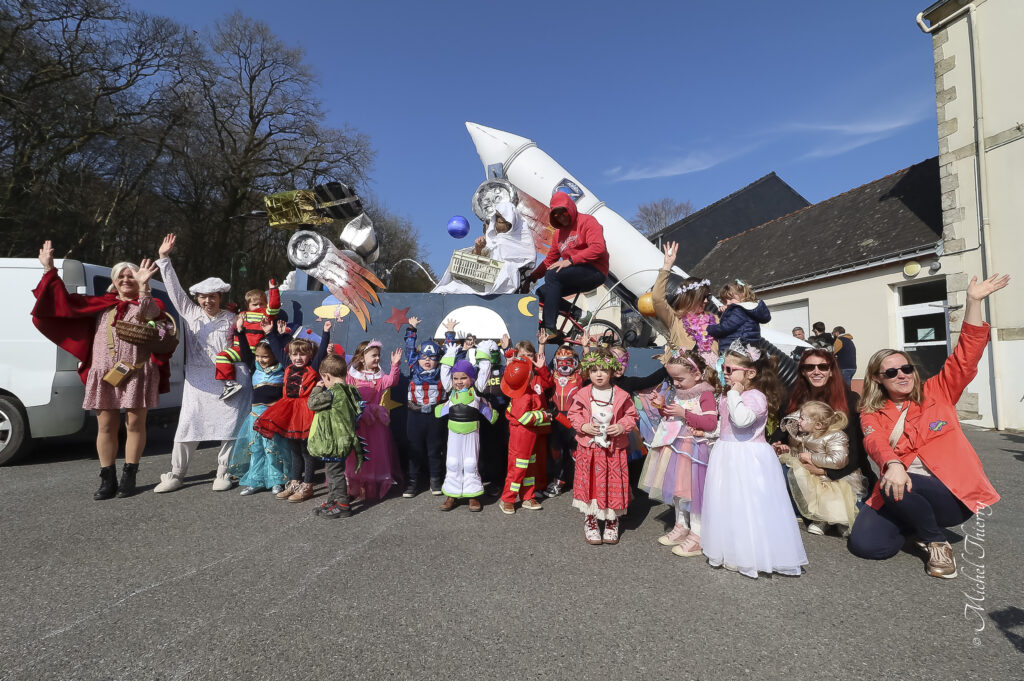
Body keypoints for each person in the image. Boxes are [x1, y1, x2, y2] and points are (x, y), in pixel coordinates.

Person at [847, 274, 1008, 579]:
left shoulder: (938, 391)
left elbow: (966, 357)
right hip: (898, 484)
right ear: (878, 379)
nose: (901, 375)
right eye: (891, 372)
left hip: (949, 494)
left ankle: (936, 541)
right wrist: (893, 463)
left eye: (906, 368)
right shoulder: (871, 410)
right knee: (868, 546)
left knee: (898, 482)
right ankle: (916, 521)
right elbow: (873, 440)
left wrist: (974, 302)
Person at [31, 240, 172, 499]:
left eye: (131, 276)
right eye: (121, 276)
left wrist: (144, 287)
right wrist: (49, 270)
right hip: (104, 373)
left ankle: (129, 475)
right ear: (114, 281)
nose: (126, 279)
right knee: (105, 426)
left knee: (134, 424)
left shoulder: (148, 303)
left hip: (137, 370)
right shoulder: (101, 304)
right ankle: (107, 478)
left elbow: (152, 314)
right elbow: (61, 304)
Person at [153, 234, 251, 494]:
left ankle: (224, 471)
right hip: (197, 379)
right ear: (197, 298)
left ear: (220, 296)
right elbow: (174, 291)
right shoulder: (191, 313)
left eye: (213, 296)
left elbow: (250, 338)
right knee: (188, 424)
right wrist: (164, 259)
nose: (208, 301)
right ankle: (176, 473)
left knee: (230, 426)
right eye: (203, 297)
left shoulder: (232, 318)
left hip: (229, 380)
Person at [701, 344, 807, 578]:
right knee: (728, 502)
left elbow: (742, 420)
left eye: (730, 369)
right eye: (723, 368)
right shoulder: (729, 394)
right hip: (726, 453)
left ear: (750, 373)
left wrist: (734, 394)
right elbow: (725, 424)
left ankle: (752, 553)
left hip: (747, 456)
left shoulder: (755, 397)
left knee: (748, 504)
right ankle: (732, 550)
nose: (725, 374)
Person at [639, 348, 720, 558]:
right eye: (673, 379)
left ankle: (698, 534)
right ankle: (681, 525)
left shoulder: (705, 394)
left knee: (693, 492)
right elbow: (671, 417)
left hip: (693, 449)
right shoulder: (680, 392)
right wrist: (661, 406)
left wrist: (684, 412)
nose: (675, 383)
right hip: (675, 447)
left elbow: (710, 423)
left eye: (680, 379)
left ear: (696, 374)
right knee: (678, 490)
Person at [774, 348, 874, 511]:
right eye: (810, 367)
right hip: (804, 470)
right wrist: (777, 445)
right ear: (803, 372)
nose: (816, 371)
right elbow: (781, 433)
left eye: (823, 367)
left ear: (831, 371)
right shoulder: (792, 399)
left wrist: (824, 471)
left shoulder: (850, 400)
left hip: (843, 472)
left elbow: (857, 451)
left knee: (851, 516)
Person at [253, 321, 332, 503]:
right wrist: (270, 333)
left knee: (307, 451)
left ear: (309, 355)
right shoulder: (288, 366)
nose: (298, 358)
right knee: (294, 450)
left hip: (305, 412)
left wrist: (325, 332)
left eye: (302, 354)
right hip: (288, 410)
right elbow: (277, 349)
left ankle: (308, 484)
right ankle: (295, 481)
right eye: (294, 354)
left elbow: (321, 352)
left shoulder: (312, 368)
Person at [567, 347, 638, 545]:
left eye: (604, 370)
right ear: (588, 372)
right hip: (589, 449)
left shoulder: (621, 395)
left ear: (612, 371)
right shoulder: (583, 393)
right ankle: (590, 520)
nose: (599, 374)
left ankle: (612, 521)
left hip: (613, 450)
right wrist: (583, 426)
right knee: (590, 484)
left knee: (612, 484)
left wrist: (621, 426)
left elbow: (631, 416)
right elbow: (573, 414)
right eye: (594, 370)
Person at [529, 192, 609, 343]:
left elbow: (598, 248)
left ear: (570, 209)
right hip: (575, 273)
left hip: (594, 270)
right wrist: (532, 277)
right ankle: (577, 315)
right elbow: (549, 260)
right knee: (541, 293)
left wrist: (570, 261)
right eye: (556, 215)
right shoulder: (558, 234)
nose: (561, 217)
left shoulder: (587, 221)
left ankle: (549, 328)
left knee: (553, 274)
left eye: (563, 212)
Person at [777, 401, 865, 536]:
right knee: (815, 496)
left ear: (818, 425)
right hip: (815, 475)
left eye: (802, 419)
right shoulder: (805, 435)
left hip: (833, 478)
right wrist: (788, 450)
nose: (798, 421)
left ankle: (842, 522)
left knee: (832, 498)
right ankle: (821, 520)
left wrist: (812, 458)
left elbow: (838, 460)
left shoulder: (835, 436)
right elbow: (800, 455)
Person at [228, 318, 291, 496]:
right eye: (258, 356)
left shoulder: (282, 368)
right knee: (256, 449)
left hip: (273, 417)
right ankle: (255, 481)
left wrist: (281, 336)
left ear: (274, 356)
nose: (260, 359)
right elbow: (245, 352)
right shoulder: (254, 367)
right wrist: (240, 332)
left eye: (265, 356)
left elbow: (283, 351)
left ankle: (276, 481)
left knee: (272, 448)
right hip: (256, 416)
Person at [432, 202, 537, 294]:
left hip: (507, 289)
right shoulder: (492, 241)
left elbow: (528, 264)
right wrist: (478, 249)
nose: (498, 223)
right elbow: (477, 266)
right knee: (447, 289)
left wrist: (509, 268)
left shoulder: (522, 239)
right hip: (484, 285)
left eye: (501, 219)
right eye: (497, 219)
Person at [345, 341, 405, 503]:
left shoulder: (379, 377)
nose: (377, 358)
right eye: (373, 355)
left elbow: (392, 381)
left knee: (373, 454)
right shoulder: (352, 376)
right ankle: (354, 488)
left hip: (374, 422)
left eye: (378, 355)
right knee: (355, 454)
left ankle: (370, 485)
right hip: (358, 420)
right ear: (362, 358)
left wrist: (395, 365)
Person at [307, 354, 365, 519]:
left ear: (327, 376)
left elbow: (312, 403)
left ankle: (342, 505)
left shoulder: (332, 393)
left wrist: (317, 388)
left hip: (334, 442)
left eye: (323, 379)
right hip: (343, 440)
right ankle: (333, 500)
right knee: (332, 472)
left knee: (335, 474)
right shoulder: (349, 390)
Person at [498, 340, 553, 514]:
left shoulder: (527, 390)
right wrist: (544, 416)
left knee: (530, 467)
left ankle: (528, 496)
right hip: (521, 436)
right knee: (517, 468)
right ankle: (507, 499)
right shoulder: (522, 395)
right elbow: (523, 417)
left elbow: (547, 384)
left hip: (531, 435)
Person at [436, 357, 497, 511]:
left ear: (472, 378)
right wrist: (448, 358)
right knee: (452, 462)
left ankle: (473, 495)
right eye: (455, 378)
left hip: (471, 433)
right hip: (453, 433)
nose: (459, 382)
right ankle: (451, 495)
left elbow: (484, 373)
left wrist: (484, 358)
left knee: (470, 463)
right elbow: (445, 376)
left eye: (463, 378)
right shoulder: (451, 392)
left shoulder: (476, 392)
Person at [402, 316, 450, 497]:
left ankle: (435, 479)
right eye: (423, 357)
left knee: (434, 449)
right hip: (415, 415)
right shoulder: (414, 367)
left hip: (435, 415)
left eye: (432, 357)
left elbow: (450, 354)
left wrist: (449, 334)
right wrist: (412, 329)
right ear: (418, 358)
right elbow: (409, 349)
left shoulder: (441, 370)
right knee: (413, 448)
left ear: (438, 359)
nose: (427, 360)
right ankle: (412, 482)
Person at [652, 241, 718, 366]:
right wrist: (667, 266)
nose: (706, 301)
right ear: (690, 298)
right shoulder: (675, 319)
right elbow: (657, 299)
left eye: (708, 297)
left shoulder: (714, 319)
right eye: (703, 297)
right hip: (685, 373)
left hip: (713, 373)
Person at [214, 281, 280, 400]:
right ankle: (230, 383)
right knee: (221, 357)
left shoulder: (267, 314)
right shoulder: (242, 314)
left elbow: (274, 305)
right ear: (248, 305)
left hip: (258, 354)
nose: (259, 307)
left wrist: (273, 289)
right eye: (255, 304)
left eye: (262, 304)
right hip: (240, 349)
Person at [546, 344, 582, 498]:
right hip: (556, 418)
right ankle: (558, 480)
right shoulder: (551, 375)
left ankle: (580, 481)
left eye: (568, 361)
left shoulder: (579, 375)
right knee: (556, 450)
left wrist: (586, 347)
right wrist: (542, 345)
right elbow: (541, 367)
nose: (564, 365)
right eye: (561, 362)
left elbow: (589, 365)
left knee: (576, 451)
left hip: (574, 418)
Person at [706, 280, 771, 351]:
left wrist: (708, 328)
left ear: (742, 295)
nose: (728, 303)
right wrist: (726, 312)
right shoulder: (749, 308)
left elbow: (726, 327)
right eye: (725, 301)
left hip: (735, 348)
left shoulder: (739, 310)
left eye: (730, 299)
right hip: (749, 348)